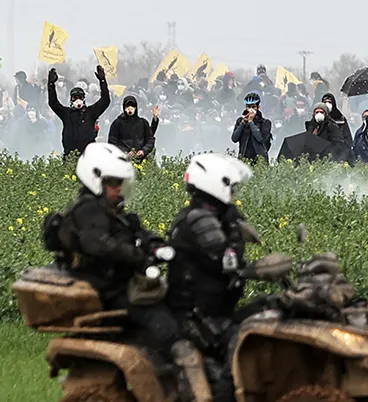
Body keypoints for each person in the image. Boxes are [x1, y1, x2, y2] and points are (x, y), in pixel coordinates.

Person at [43, 143, 209, 398]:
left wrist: (156, 246)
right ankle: (179, 379)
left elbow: (138, 232)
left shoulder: (112, 211)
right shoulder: (88, 211)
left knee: (179, 304)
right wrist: (138, 256)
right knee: (167, 326)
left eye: (120, 182)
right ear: (95, 178)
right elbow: (98, 244)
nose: (118, 188)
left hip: (118, 281)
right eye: (113, 182)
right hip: (106, 286)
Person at [166, 153, 252, 401]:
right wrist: (256, 269)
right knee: (234, 359)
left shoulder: (218, 215)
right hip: (194, 314)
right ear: (216, 183)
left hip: (213, 309)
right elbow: (226, 259)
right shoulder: (199, 220)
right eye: (230, 186)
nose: (233, 193)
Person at [47, 66, 111, 158]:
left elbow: (105, 101)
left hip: (88, 156)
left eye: (80, 97)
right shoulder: (66, 113)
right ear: (71, 100)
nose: (77, 100)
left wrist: (103, 81)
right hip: (70, 156)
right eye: (75, 98)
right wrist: (51, 84)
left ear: (84, 99)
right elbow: (53, 103)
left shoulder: (91, 112)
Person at [108, 95, 156, 163]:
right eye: (127, 106)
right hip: (123, 161)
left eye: (132, 106)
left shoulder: (143, 122)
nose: (130, 108)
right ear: (124, 108)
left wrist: (143, 151)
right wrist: (125, 152)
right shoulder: (117, 123)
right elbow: (112, 142)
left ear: (136, 107)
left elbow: (150, 139)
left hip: (141, 161)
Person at [231, 92, 273, 165]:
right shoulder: (240, 121)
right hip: (244, 160)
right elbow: (234, 138)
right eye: (248, 107)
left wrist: (251, 122)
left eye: (253, 107)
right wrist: (243, 123)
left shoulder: (265, 123)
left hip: (259, 161)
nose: (250, 109)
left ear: (258, 107)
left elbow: (260, 138)